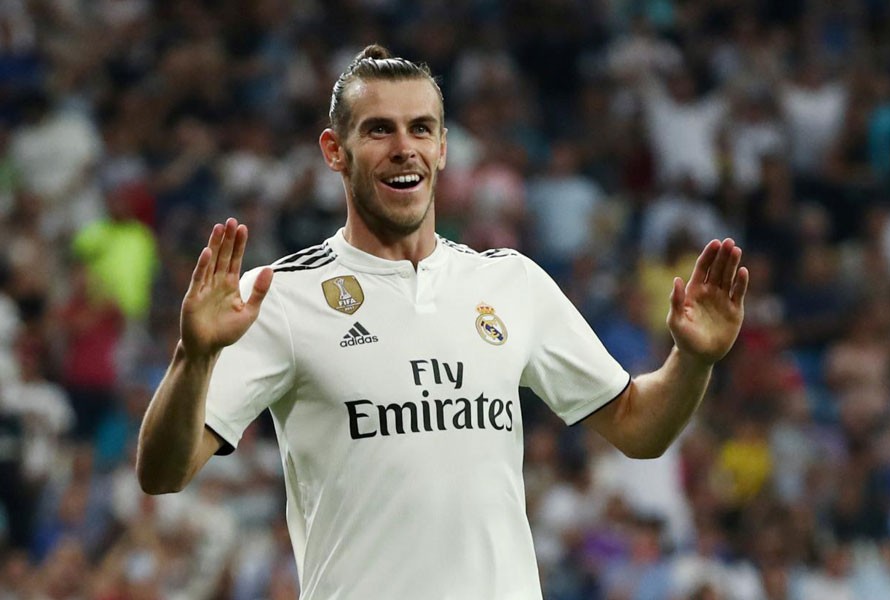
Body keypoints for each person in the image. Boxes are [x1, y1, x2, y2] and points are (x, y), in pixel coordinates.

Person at [135, 44, 749, 599]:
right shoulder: (279, 295)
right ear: (334, 151)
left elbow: (639, 429)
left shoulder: (510, 283)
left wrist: (691, 361)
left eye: (420, 129)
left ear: (443, 147)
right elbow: (164, 472)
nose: (404, 147)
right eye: (379, 130)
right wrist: (195, 358)